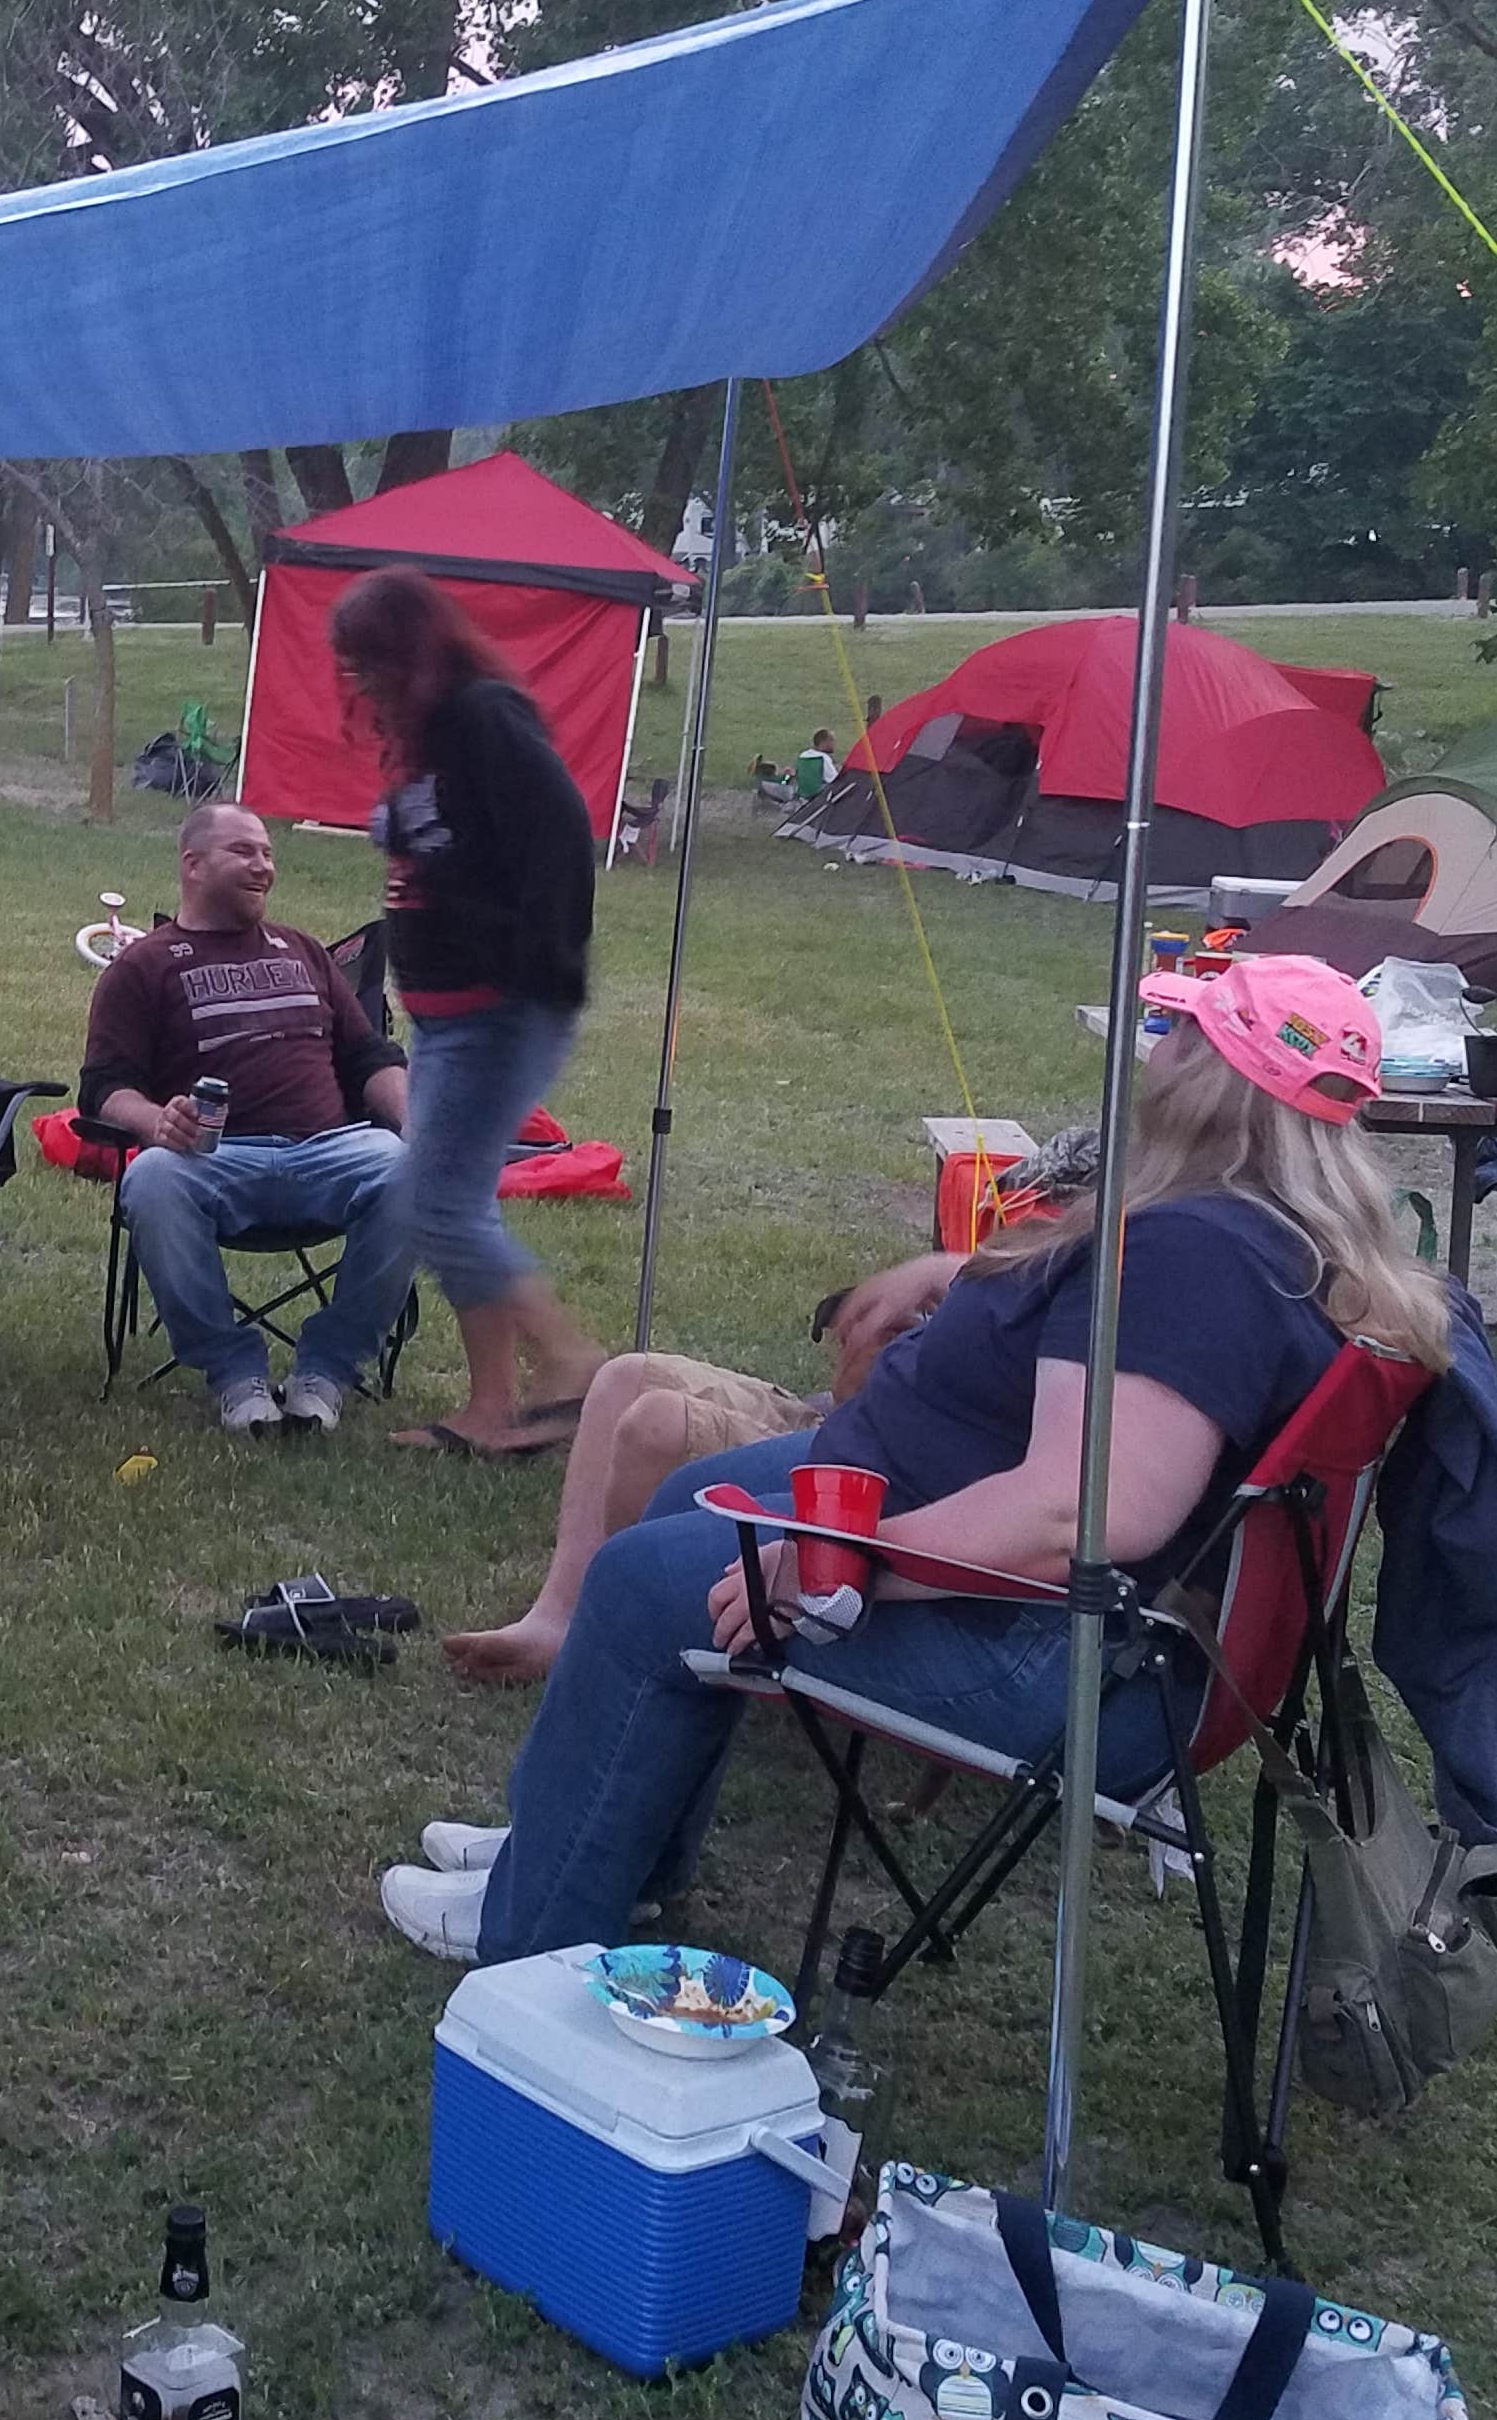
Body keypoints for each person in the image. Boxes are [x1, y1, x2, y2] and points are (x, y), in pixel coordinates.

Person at [380, 952, 1455, 1963]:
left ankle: (535, 1924)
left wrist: (839, 1569)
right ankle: (602, 1857)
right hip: (1054, 1608)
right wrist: (965, 1270)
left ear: (1216, 1078)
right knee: (681, 1498)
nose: (1153, 1050)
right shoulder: (1261, 1228)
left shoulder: (1194, 1260)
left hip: (1049, 1653)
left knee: (637, 1585)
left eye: (1177, 1033)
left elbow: (1080, 1516)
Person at [329, 567, 603, 1459]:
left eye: (370, 664)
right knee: (457, 1208)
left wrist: (538, 967)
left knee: (435, 1208)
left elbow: (561, 833)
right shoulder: (432, 737)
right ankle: (492, 1413)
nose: (360, 684)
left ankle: (571, 1362)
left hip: (499, 1009)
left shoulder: (486, 717)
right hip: (444, 1019)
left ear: (413, 649)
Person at [81, 802, 413, 1434]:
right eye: (244, 852)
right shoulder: (145, 965)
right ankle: (235, 1374)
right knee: (152, 1179)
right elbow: (103, 1088)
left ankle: (327, 1370)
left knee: (410, 1170)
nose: (263, 866)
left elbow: (370, 1056)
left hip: (329, 1151)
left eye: (267, 853)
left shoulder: (305, 952)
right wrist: (158, 1125)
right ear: (193, 864)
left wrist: (412, 1116)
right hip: (214, 1159)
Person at [436, 1276, 938, 1683]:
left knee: (658, 1424)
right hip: (826, 1420)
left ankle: (613, 1644)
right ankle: (555, 1620)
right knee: (625, 1377)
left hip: (868, 1463)